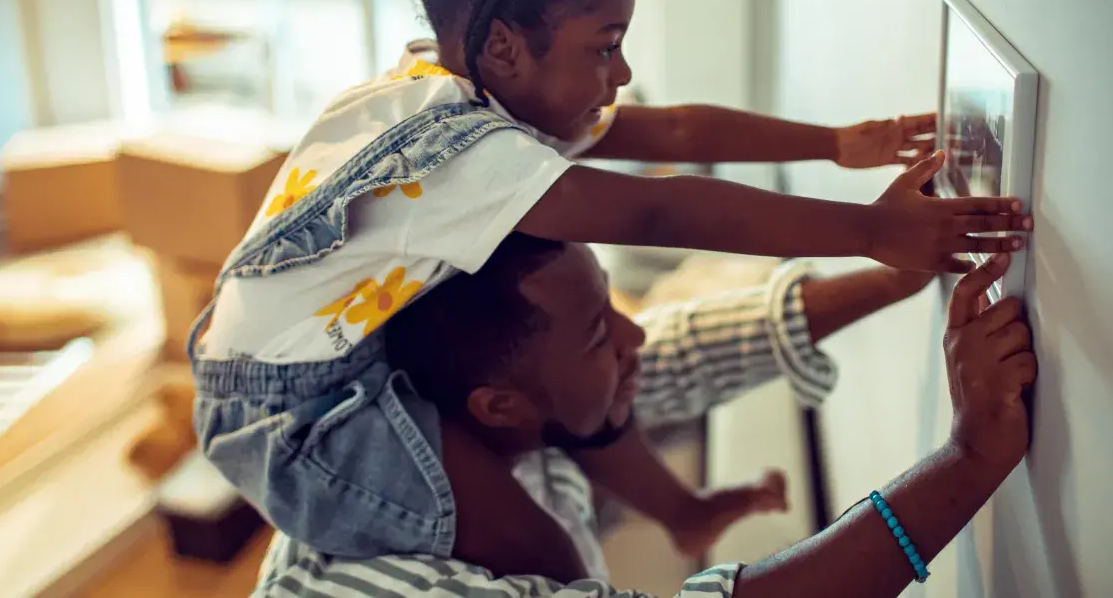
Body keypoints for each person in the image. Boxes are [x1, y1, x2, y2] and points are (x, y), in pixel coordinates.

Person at [190, 0, 1031, 582]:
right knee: (536, 543)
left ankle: (685, 512)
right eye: (605, 46)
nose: (622, 73)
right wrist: (872, 230)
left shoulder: (468, 81)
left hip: (316, 349)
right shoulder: (462, 156)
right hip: (289, 415)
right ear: (511, 49)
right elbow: (662, 204)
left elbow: (674, 135)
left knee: (570, 387)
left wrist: (838, 144)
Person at [251, 240, 1036, 598]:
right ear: (500, 404)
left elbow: (684, 349)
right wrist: (969, 458)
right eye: (601, 331)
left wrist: (900, 270)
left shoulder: (468, 408)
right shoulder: (386, 578)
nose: (634, 335)